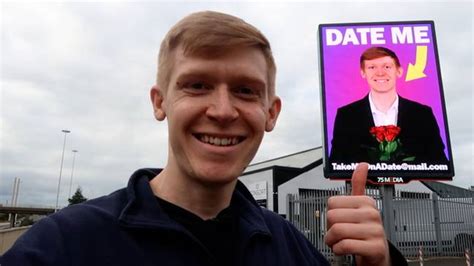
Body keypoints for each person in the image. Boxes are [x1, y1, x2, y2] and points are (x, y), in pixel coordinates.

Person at [1, 11, 406, 266]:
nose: (223, 110)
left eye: (246, 90)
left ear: (271, 113)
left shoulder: (289, 246)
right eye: (196, 85)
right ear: (160, 102)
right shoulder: (63, 247)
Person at [329, 46, 448, 164]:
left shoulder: (422, 114)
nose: (380, 73)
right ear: (363, 73)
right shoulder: (347, 115)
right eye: (372, 67)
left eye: (387, 67)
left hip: (416, 183)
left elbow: (439, 161)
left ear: (399, 71)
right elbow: (337, 162)